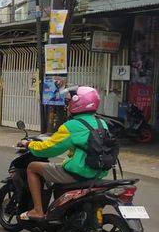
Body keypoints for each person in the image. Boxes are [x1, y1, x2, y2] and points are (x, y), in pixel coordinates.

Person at [19, 86, 108, 221]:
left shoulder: (72, 125)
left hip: (78, 172)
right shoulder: (102, 123)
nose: (68, 104)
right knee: (62, 164)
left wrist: (30, 144)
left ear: (78, 103)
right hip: (97, 173)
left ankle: (37, 210)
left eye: (70, 101)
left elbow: (50, 148)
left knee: (32, 167)